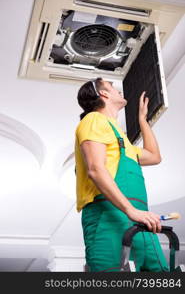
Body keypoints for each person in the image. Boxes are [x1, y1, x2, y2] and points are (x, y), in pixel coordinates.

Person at [74, 77, 169, 272]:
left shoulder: (122, 140)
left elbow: (154, 156)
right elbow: (95, 169)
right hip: (106, 216)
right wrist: (130, 210)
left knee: (161, 274)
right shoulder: (93, 120)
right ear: (104, 93)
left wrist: (142, 120)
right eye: (111, 86)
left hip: (139, 217)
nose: (117, 89)